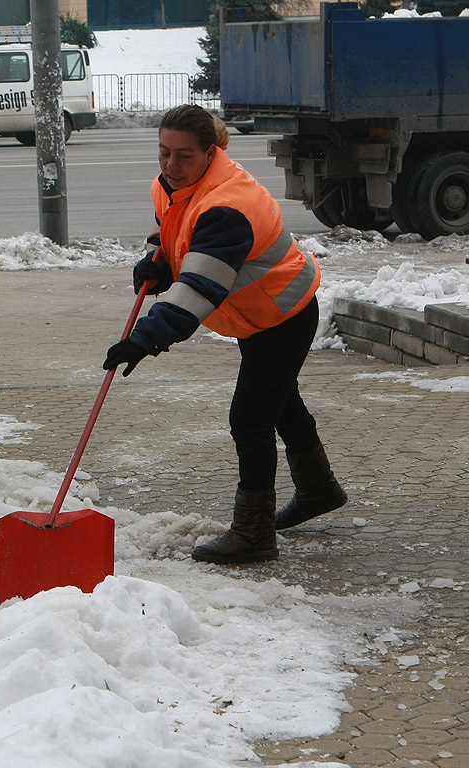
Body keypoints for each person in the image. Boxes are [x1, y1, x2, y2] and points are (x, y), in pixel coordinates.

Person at [103, 104, 347, 564]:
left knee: (250, 417)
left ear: (210, 153)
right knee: (279, 401)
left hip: (283, 314)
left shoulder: (227, 206)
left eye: (184, 156)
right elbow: (174, 231)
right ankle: (319, 490)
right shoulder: (174, 185)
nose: (171, 166)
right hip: (255, 315)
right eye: (164, 152)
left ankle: (255, 533)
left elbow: (200, 285)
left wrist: (146, 336)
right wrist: (158, 261)